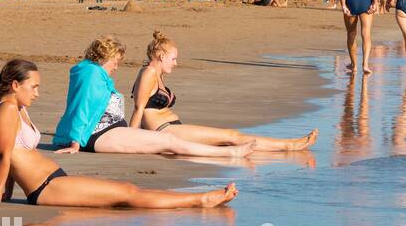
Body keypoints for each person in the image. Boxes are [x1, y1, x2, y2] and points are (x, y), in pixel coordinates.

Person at [0, 60, 238, 209]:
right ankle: (201, 199)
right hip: (46, 188)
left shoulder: (14, 106)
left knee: (125, 192)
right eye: (34, 87)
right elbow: (4, 155)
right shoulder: (6, 109)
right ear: (16, 85)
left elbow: (11, 155)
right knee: (127, 193)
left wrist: (6, 193)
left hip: (52, 180)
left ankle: (199, 199)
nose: (37, 93)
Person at [54, 38, 256, 157]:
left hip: (108, 131)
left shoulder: (94, 74)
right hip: (98, 135)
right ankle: (230, 153)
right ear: (106, 58)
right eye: (116, 61)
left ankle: (227, 151)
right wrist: (75, 143)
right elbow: (83, 107)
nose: (117, 65)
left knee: (167, 141)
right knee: (168, 141)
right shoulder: (91, 75)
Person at [130, 31, 318, 150]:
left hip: (172, 129)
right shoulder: (149, 73)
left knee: (229, 138)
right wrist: (130, 139)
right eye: (173, 59)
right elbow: (139, 108)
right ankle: (288, 145)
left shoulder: (156, 73)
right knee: (231, 136)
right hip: (165, 131)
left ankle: (286, 144)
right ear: (161, 56)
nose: (176, 63)